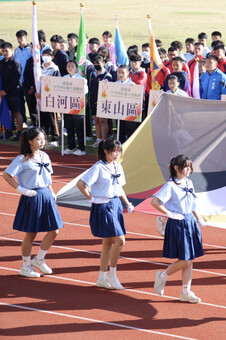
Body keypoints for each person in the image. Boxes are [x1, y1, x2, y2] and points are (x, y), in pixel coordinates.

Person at [2, 127, 63, 278]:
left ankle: (39, 259)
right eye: (38, 139)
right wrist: (21, 189)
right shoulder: (21, 159)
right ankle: (25, 265)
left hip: (46, 195)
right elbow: (7, 175)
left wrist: (52, 191)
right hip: (31, 196)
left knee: (55, 230)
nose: (42, 142)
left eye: (43, 139)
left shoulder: (45, 156)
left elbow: (47, 177)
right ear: (30, 141)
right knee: (31, 233)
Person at [76, 137, 134, 289]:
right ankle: (112, 275)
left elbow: (119, 187)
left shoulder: (117, 166)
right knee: (120, 240)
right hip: (103, 205)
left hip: (115, 205)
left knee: (108, 242)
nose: (117, 154)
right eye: (114, 151)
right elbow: (81, 184)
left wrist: (127, 203)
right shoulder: (98, 168)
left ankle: (101, 277)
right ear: (106, 151)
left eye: (119, 151)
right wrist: (92, 198)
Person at [152, 155, 206, 303]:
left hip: (190, 221)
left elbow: (192, 203)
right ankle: (162, 276)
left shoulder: (188, 182)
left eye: (189, 167)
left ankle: (185, 292)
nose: (188, 170)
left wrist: (198, 218)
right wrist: (169, 214)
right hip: (178, 223)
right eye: (185, 167)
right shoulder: (170, 185)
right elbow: (155, 202)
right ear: (176, 168)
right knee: (185, 259)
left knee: (190, 259)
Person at [62, 60, 87, 156]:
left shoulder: (82, 79)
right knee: (69, 126)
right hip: (67, 106)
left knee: (79, 127)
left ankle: (81, 148)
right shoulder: (64, 78)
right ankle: (71, 146)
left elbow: (84, 92)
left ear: (76, 69)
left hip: (78, 107)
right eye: (68, 66)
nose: (70, 68)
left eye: (72, 66)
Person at [0, 41, 24, 140]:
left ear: (12, 51)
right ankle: (8, 131)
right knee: (6, 112)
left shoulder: (16, 63)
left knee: (16, 112)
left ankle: (20, 132)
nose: (4, 53)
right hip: (3, 93)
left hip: (14, 93)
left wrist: (6, 90)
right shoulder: (1, 63)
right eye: (2, 51)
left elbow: (16, 80)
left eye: (6, 51)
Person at [88, 55, 113, 147]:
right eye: (94, 63)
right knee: (96, 120)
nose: (95, 65)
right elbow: (90, 87)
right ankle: (98, 140)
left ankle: (104, 140)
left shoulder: (107, 76)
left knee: (103, 121)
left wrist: (102, 100)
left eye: (98, 63)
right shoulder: (92, 74)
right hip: (93, 100)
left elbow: (108, 90)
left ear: (103, 63)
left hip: (103, 101)